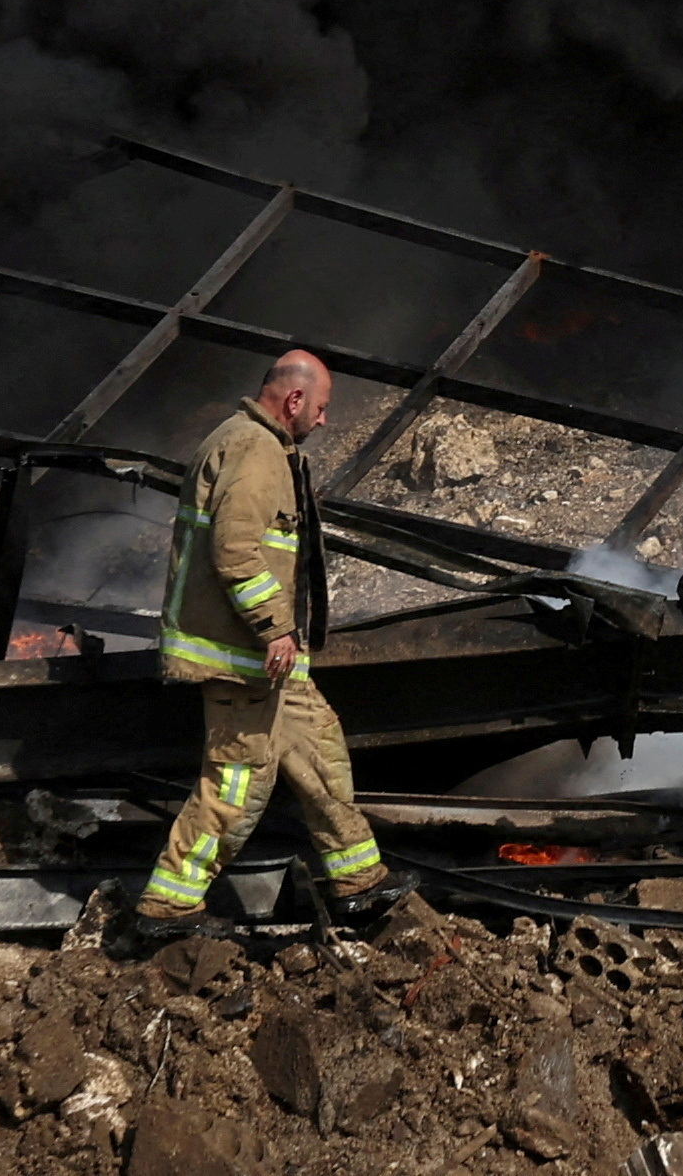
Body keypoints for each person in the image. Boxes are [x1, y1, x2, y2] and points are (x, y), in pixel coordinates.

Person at [132, 348, 392, 929]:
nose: (323, 421)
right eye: (321, 408)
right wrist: (275, 626)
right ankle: (169, 903)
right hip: (240, 658)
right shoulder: (255, 449)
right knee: (237, 781)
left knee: (320, 752)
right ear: (294, 399)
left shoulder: (259, 445)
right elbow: (236, 550)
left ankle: (359, 880)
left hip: (269, 661)